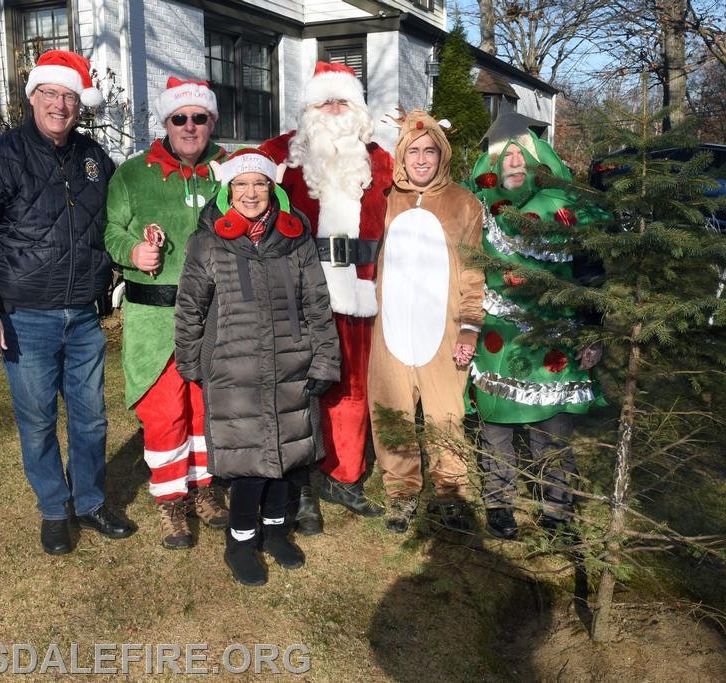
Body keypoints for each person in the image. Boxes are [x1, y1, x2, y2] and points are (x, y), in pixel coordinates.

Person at [0, 50, 133, 555]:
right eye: (49, 94)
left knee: (91, 417)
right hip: (25, 317)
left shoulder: (94, 158)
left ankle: (90, 501)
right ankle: (55, 509)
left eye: (69, 96)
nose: (59, 104)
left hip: (84, 316)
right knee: (36, 421)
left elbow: (120, 218)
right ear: (33, 98)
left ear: (80, 104)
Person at [174, 149, 340, 586]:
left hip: (291, 363)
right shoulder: (208, 241)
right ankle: (240, 543)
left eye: (260, 183)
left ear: (273, 189)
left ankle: (275, 533)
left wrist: (324, 358)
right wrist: (192, 361)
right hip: (234, 369)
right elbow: (190, 307)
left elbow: (317, 305)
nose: (251, 193)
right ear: (229, 190)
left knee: (287, 460)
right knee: (247, 467)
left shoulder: (295, 239)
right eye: (242, 184)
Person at [259, 62, 393, 533]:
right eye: (325, 103)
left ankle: (346, 475)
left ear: (357, 110)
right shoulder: (279, 155)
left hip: (360, 295)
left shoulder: (381, 161)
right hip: (300, 296)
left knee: (353, 388)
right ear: (309, 109)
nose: (335, 111)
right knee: (298, 390)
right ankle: (298, 488)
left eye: (344, 103)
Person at [104, 77, 229, 549]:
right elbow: (110, 231)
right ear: (166, 122)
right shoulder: (133, 174)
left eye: (200, 117)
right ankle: (171, 502)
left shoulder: (228, 170)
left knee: (205, 409)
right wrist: (132, 251)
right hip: (154, 320)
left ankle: (203, 489)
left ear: (211, 122)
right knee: (164, 413)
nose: (190, 126)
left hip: (213, 316)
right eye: (181, 118)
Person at [466, 114, 605, 540]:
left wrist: (593, 334)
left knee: (553, 433)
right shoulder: (477, 210)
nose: (512, 163)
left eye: (518, 155)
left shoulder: (567, 211)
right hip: (498, 338)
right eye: (504, 157)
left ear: (534, 158)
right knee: (497, 431)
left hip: (556, 338)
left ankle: (557, 512)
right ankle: (500, 505)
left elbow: (591, 277)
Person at [367, 109, 485, 534]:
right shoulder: (384, 199)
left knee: (445, 417)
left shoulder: (463, 203)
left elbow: (474, 272)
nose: (420, 159)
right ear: (401, 155)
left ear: (442, 154)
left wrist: (470, 326)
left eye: (429, 151)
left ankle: (450, 492)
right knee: (391, 413)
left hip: (443, 330)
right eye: (412, 151)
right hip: (391, 329)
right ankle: (400, 492)